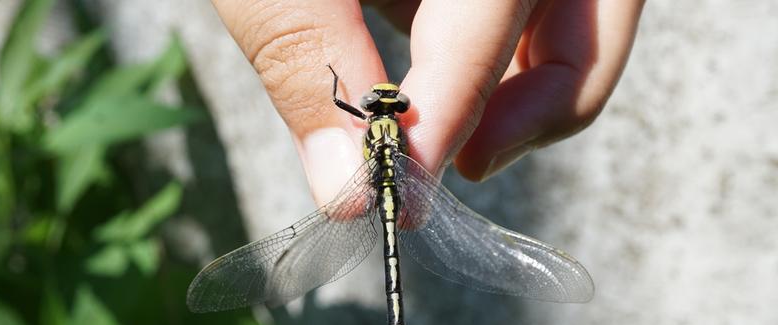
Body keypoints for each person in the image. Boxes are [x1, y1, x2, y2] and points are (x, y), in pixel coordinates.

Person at [210, 0, 645, 206]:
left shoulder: (369, 125)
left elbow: (334, 99)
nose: (385, 105)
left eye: (392, 104)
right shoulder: (396, 135)